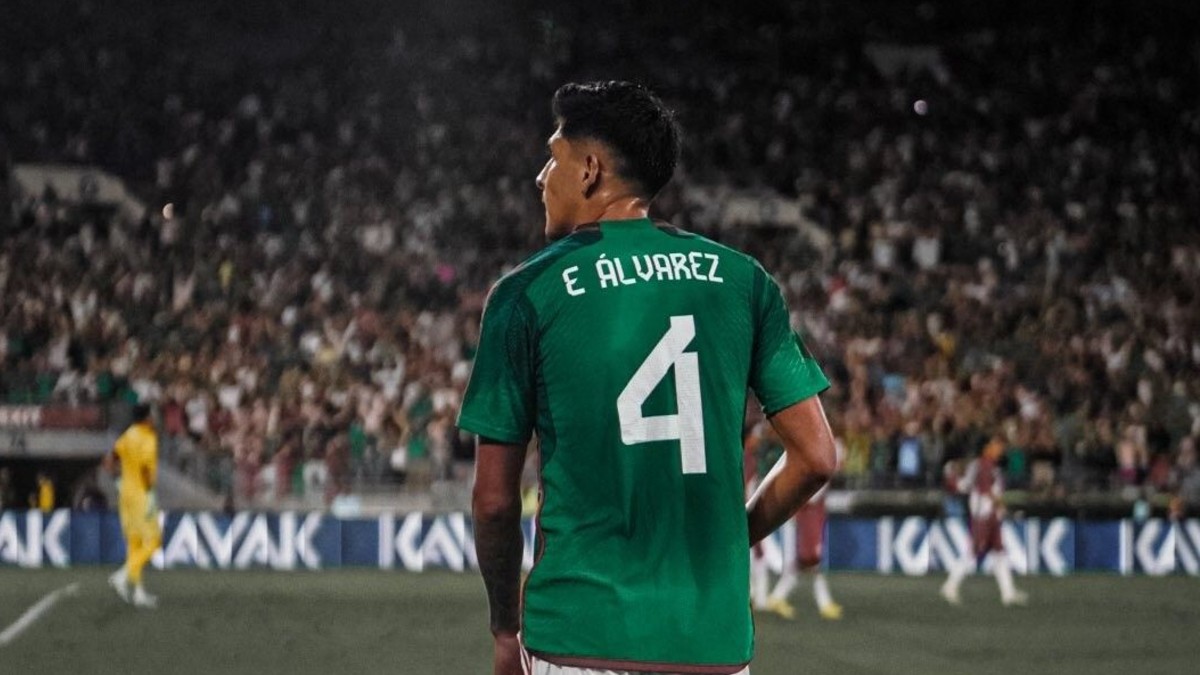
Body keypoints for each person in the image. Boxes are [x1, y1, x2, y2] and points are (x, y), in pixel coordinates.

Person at [460, 81, 837, 675]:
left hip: (580, 634)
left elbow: (494, 501)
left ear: (589, 171)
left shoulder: (524, 294)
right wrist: (730, 542)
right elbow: (816, 457)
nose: (540, 178)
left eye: (551, 157)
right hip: (712, 643)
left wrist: (506, 627)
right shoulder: (744, 282)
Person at [745, 420, 843, 621]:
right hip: (795, 509)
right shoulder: (777, 453)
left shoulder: (771, 451)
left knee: (800, 560)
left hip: (792, 507)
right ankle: (766, 597)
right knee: (799, 559)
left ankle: (772, 597)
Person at [940, 436, 1028, 607]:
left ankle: (1008, 593)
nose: (1000, 449)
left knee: (999, 552)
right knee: (973, 552)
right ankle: (950, 586)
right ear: (987, 447)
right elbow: (987, 491)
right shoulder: (984, 466)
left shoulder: (985, 465)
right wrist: (1002, 506)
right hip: (984, 515)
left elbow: (966, 486)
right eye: (996, 445)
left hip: (990, 515)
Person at [104, 403, 162, 608]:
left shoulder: (128, 435)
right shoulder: (148, 437)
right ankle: (122, 575)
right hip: (141, 495)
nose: (154, 418)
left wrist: (118, 481)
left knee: (135, 543)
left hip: (125, 493)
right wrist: (149, 494)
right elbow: (146, 470)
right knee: (154, 541)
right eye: (152, 415)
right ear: (147, 417)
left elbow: (109, 460)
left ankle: (138, 592)